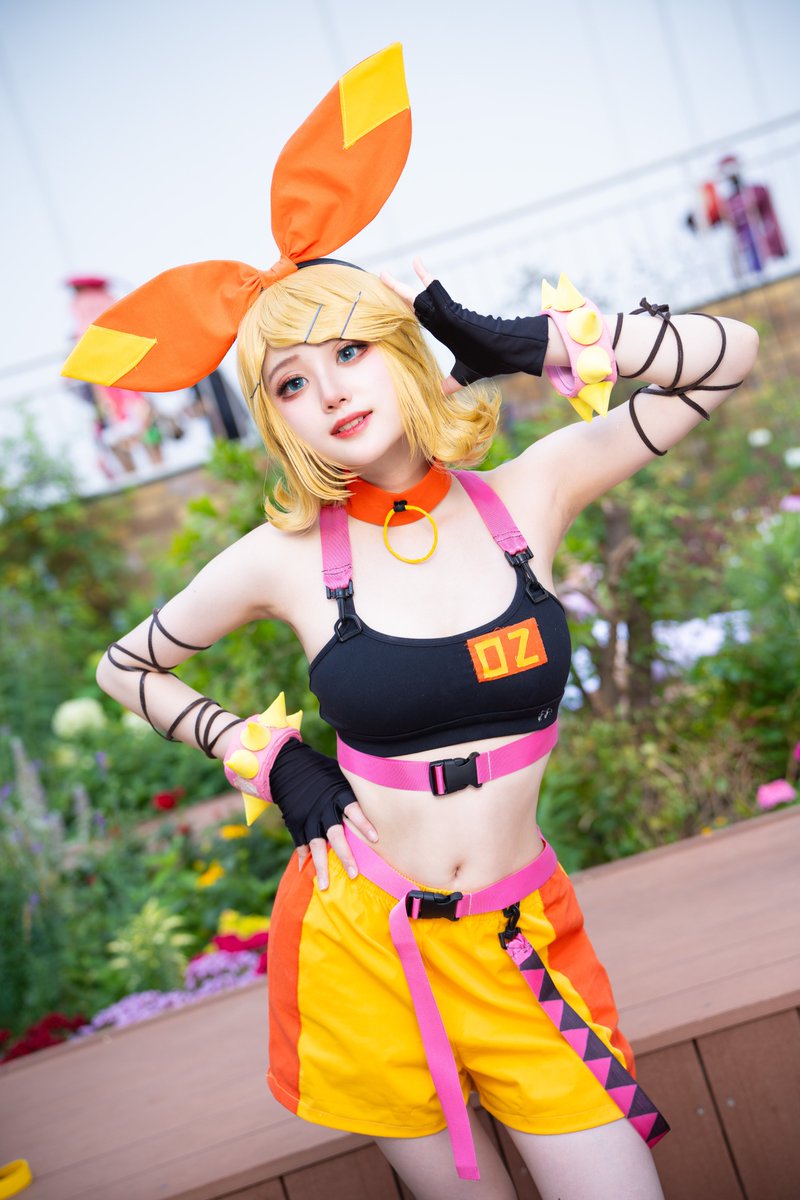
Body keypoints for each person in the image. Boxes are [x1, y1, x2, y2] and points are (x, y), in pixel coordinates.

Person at [66, 46, 759, 1200]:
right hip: (362, 947)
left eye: (348, 352)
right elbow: (126, 666)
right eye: (290, 382)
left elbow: (725, 363)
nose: (330, 390)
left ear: (399, 352)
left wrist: (529, 342)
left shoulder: (528, 495)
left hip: (516, 939)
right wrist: (272, 760)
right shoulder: (286, 558)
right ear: (276, 420)